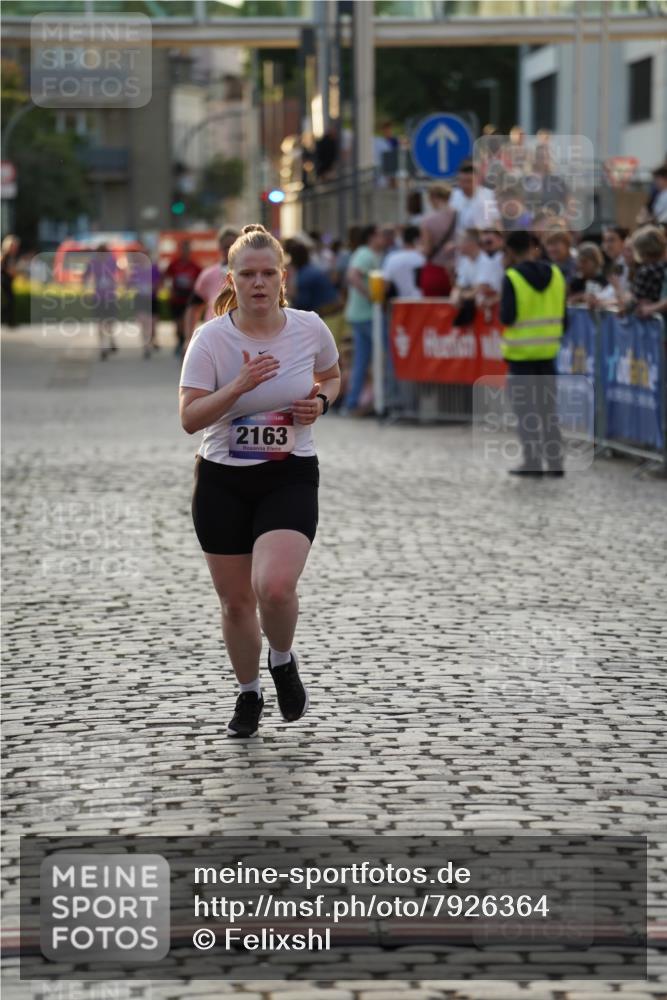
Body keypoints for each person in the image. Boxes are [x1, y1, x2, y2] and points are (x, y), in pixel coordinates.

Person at [179, 224, 341, 738]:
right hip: (223, 479)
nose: (258, 283)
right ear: (231, 279)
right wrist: (239, 386)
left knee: (273, 587)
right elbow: (189, 417)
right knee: (235, 603)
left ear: (282, 277)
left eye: (268, 273)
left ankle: (282, 659)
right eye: (247, 274)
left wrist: (320, 403)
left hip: (288, 474)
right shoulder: (211, 340)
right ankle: (248, 693)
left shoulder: (309, 328)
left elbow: (333, 375)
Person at [500, 230, 567, 477]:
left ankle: (533, 462)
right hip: (548, 356)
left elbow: (507, 316)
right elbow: (564, 317)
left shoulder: (512, 278)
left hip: (521, 358)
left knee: (526, 413)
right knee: (548, 412)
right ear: (533, 247)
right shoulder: (557, 274)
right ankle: (556, 463)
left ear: (509, 252)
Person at [342, 223, 384, 414]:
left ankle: (352, 402)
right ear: (372, 236)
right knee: (384, 356)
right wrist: (370, 296)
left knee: (361, 360)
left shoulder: (364, 253)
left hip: (358, 314)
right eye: (381, 235)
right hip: (366, 314)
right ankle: (385, 399)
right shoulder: (366, 254)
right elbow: (353, 276)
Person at [185, 226, 239, 350]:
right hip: (214, 339)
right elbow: (193, 307)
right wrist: (188, 339)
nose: (231, 250)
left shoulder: (252, 273)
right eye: (226, 246)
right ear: (219, 248)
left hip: (241, 338)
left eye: (235, 245)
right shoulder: (209, 275)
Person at [419, 182, 457, 297]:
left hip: (435, 270)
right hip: (457, 270)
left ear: (432, 198)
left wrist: (418, 249)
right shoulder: (459, 215)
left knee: (433, 310)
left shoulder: (428, 221)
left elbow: (427, 250)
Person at [83, 243, 121, 360]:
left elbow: (85, 278)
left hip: (103, 296)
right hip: (105, 296)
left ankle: (106, 344)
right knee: (105, 322)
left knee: (104, 322)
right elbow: (119, 274)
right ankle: (106, 344)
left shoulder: (95, 261)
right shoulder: (108, 260)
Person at [284, 238, 341, 315]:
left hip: (325, 312)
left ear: (293, 259)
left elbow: (302, 303)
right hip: (333, 307)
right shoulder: (311, 269)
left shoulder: (304, 276)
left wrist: (290, 298)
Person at [165, 240, 201, 357]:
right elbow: (166, 277)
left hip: (188, 300)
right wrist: (169, 290)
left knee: (186, 323)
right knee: (178, 324)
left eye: (187, 249)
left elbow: (200, 282)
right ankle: (179, 341)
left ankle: (184, 343)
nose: (185, 252)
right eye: (183, 249)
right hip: (176, 299)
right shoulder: (174, 264)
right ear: (180, 250)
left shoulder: (194, 266)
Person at [382, 225, 425, 299]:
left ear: (403, 240)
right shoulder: (424, 257)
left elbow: (385, 286)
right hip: (424, 302)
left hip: (402, 303)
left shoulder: (392, 258)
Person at [1, 234, 20, 328]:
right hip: (4, 280)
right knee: (8, 301)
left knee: (10, 300)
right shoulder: (4, 254)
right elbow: (3, 267)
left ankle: (10, 321)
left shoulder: (12, 256)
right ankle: (8, 321)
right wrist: (10, 271)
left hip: (9, 281)